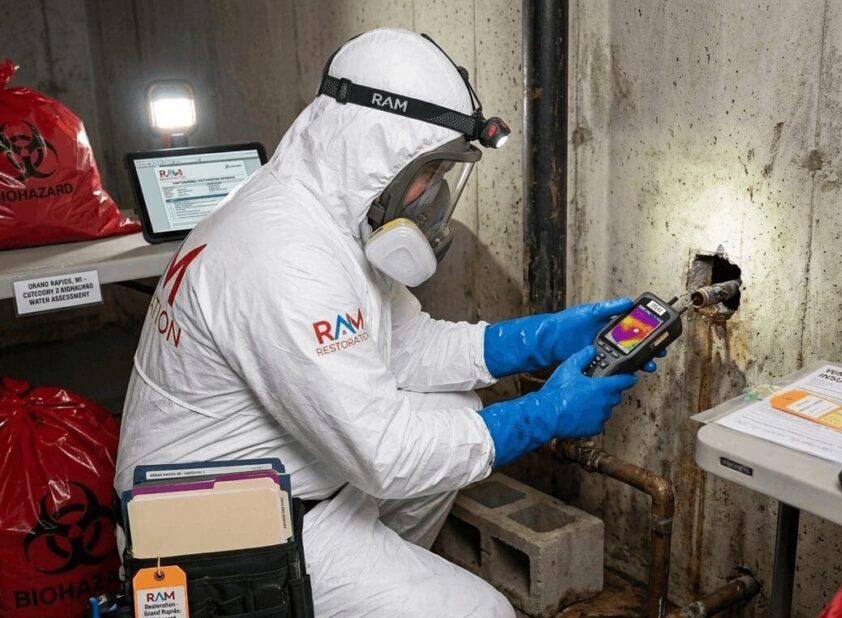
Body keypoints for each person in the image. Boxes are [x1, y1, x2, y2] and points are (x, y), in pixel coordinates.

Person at [115, 28, 656, 617]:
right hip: (217, 539)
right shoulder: (284, 255)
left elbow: (407, 348)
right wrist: (545, 414)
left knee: (457, 409)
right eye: (429, 173)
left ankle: (377, 583)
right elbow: (387, 454)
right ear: (374, 151)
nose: (434, 197)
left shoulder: (323, 214)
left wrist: (545, 338)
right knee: (486, 613)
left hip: (274, 485)